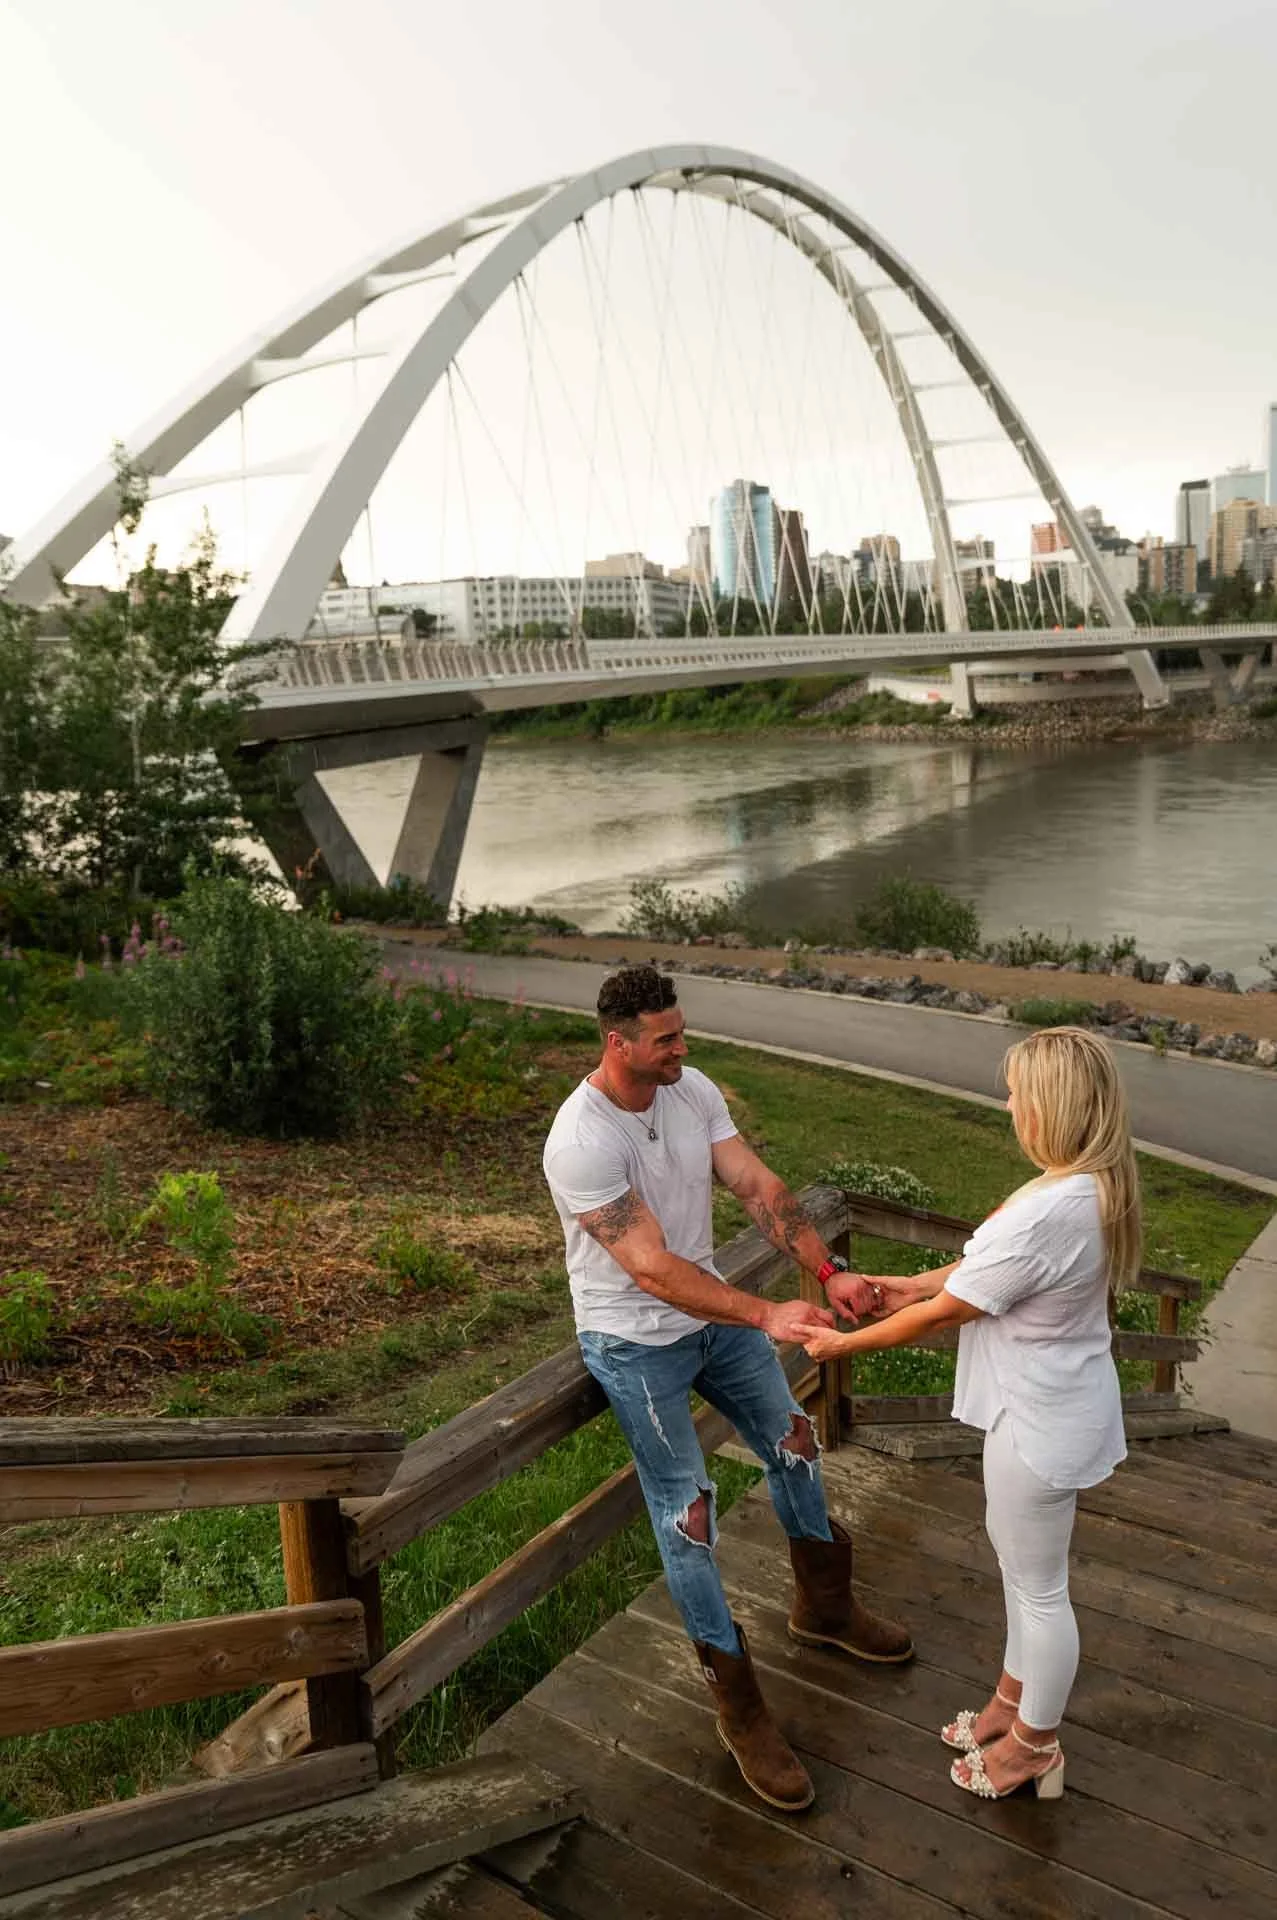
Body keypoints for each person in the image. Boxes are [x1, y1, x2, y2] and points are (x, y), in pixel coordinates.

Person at [543, 965, 914, 1814]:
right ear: (618, 1042)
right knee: (688, 1512)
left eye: (681, 1032)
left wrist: (826, 1271)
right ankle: (739, 1706)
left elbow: (757, 1187)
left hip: (713, 1318)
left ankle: (823, 1605)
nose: (682, 1047)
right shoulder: (580, 1139)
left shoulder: (690, 1088)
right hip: (634, 1342)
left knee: (795, 1441)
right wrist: (766, 1313)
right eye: (666, 1037)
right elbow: (649, 1269)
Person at [805, 1025, 1139, 1803]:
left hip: (1038, 1417)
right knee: (1022, 1577)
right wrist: (904, 1281)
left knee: (1038, 1590)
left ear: (1052, 1106)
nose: (1010, 1105)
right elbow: (975, 1271)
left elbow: (946, 1314)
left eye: (1020, 1093)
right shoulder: (1082, 1184)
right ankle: (1011, 1704)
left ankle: (1034, 1748)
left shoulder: (1051, 1208)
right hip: (1044, 1406)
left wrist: (838, 1346)